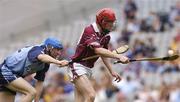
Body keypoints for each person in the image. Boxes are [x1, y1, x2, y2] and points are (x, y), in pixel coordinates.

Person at [68, 8, 129, 102]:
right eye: (110, 22)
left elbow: (104, 54)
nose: (112, 25)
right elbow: (98, 51)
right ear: (103, 22)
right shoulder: (89, 31)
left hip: (87, 69)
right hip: (77, 66)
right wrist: (119, 56)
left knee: (79, 100)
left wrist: (111, 71)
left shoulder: (105, 36)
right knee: (91, 95)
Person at [0, 37, 69, 102]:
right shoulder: (38, 49)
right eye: (57, 49)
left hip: (9, 75)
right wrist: (58, 62)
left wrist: (36, 100)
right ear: (49, 48)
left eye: (60, 50)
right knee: (31, 92)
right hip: (6, 72)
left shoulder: (45, 64)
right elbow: (41, 57)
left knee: (32, 93)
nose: (59, 53)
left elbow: (40, 82)